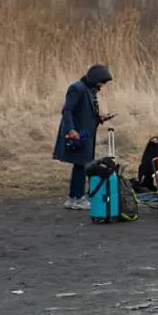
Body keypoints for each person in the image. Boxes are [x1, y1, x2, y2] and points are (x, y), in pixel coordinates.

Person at [52, 64, 114, 211]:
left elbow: (85, 112)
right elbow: (67, 111)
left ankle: (74, 197)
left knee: (80, 165)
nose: (102, 85)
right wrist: (71, 129)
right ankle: (78, 198)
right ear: (95, 79)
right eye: (102, 82)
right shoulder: (77, 89)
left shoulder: (89, 90)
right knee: (81, 165)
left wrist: (99, 119)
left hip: (85, 135)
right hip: (78, 134)